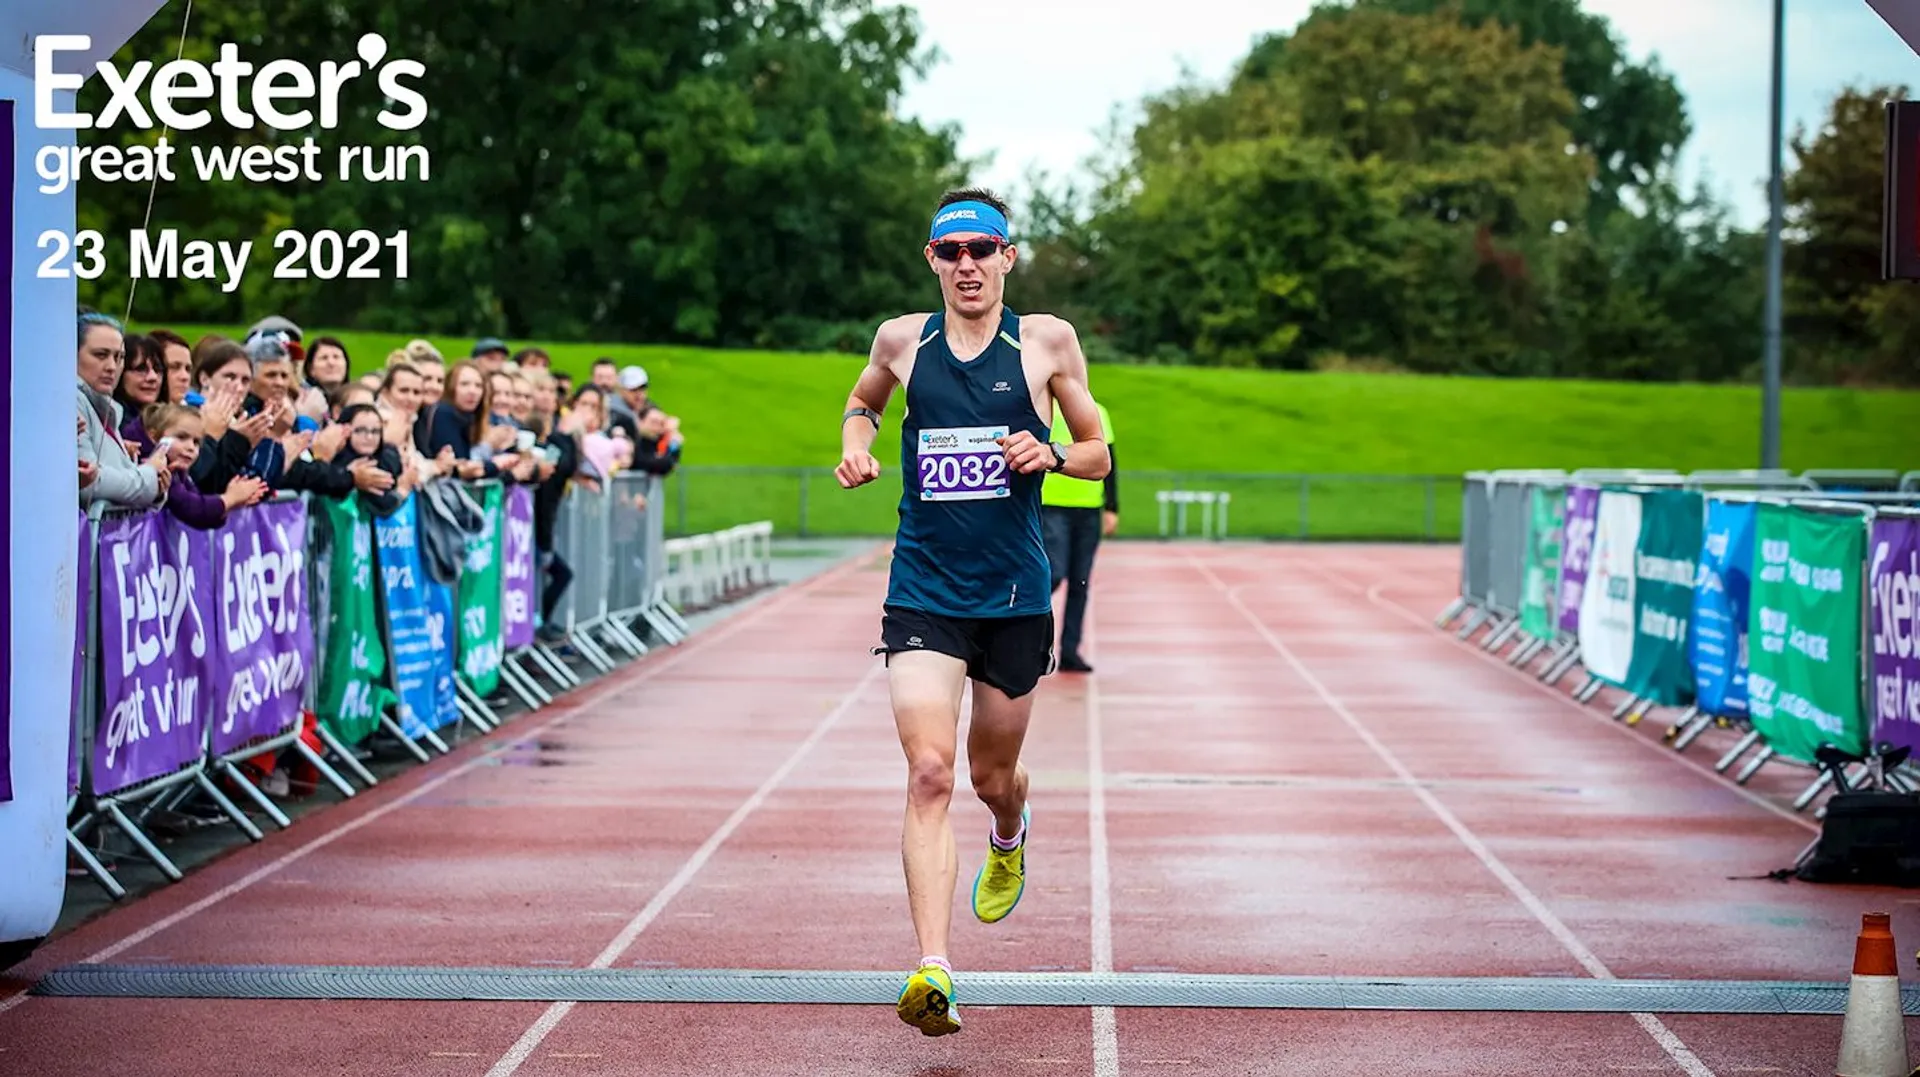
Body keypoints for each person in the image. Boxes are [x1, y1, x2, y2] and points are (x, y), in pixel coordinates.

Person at [834, 187, 1109, 1038]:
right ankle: (934, 968)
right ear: (931, 259)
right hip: (922, 588)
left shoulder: (1047, 341)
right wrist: (856, 442)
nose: (967, 265)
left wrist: (1053, 450)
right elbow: (864, 399)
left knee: (990, 776)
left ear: (1007, 257)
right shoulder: (901, 339)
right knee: (929, 772)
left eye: (981, 249)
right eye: (950, 251)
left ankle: (1010, 827)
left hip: (1015, 597)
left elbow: (1100, 452)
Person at [1040, 398, 1118, 672]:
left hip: (1088, 508)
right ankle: (1031, 637)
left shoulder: (1097, 410)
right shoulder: (1043, 407)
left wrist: (1111, 506)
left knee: (1080, 582)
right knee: (1054, 573)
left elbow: (1109, 460)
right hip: (1052, 506)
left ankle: (1070, 650)